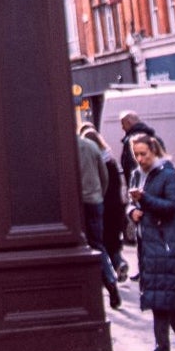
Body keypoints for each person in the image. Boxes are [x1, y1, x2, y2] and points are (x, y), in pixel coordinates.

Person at [128, 132, 175, 351]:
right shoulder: (137, 174)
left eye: (143, 154)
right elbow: (132, 204)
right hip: (150, 242)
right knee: (164, 298)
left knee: (162, 299)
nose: (140, 159)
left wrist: (144, 200)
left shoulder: (167, 174)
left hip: (166, 242)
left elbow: (172, 207)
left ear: (154, 151)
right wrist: (132, 212)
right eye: (136, 154)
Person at [76, 132, 120, 310]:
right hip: (95, 200)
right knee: (97, 244)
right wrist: (99, 194)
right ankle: (110, 281)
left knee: (81, 245)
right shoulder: (91, 146)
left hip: (79, 203)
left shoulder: (67, 148)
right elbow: (104, 175)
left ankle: (96, 287)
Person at [81, 124, 127, 281]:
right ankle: (119, 263)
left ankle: (112, 271)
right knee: (111, 238)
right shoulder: (110, 159)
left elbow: (103, 181)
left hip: (101, 202)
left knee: (100, 240)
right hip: (115, 204)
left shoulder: (92, 160)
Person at [119, 110, 157, 188]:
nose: (122, 128)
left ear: (129, 122)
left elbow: (132, 165)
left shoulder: (131, 141)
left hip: (139, 186)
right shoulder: (154, 138)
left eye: (123, 124)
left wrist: (133, 187)